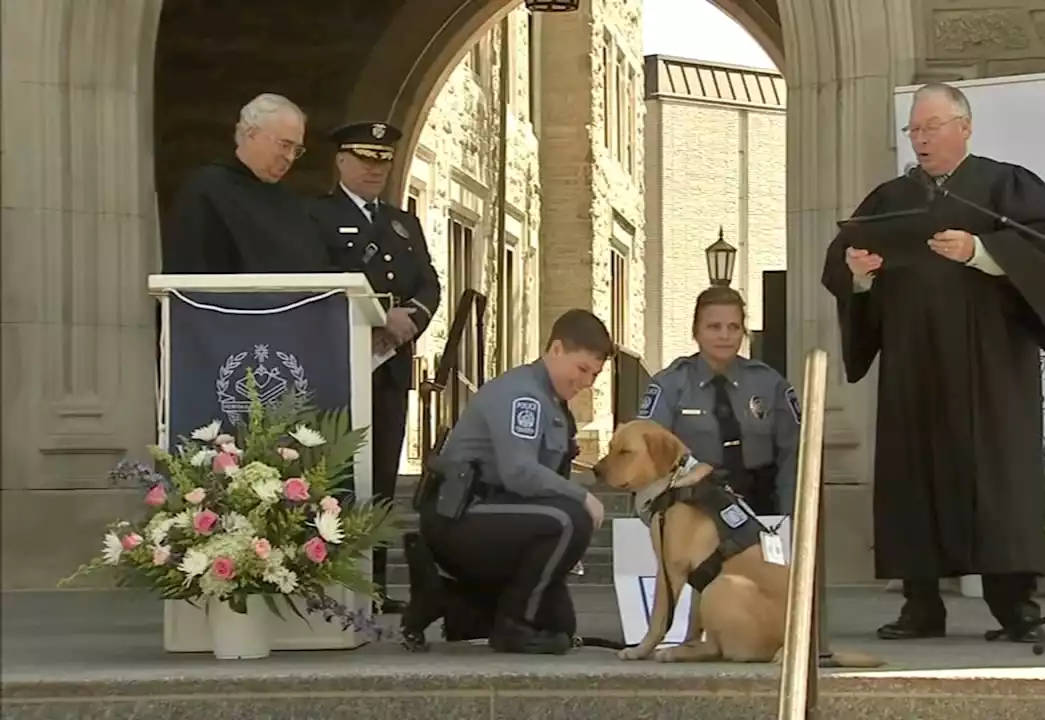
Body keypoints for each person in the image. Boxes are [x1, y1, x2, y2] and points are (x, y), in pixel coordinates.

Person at [820, 82, 1045, 643]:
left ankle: (1016, 608)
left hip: (992, 364)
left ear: (964, 126)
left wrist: (982, 252)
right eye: (914, 130)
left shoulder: (1005, 186)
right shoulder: (889, 198)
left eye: (932, 127)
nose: (921, 139)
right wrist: (860, 272)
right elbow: (839, 264)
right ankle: (921, 606)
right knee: (914, 476)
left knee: (998, 478)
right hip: (914, 365)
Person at [417, 309, 612, 654]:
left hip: (497, 514)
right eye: (582, 369)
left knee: (559, 630)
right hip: (461, 514)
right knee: (569, 520)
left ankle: (458, 602)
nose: (586, 383)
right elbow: (519, 471)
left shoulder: (552, 401)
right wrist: (581, 496)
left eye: (594, 374)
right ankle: (512, 626)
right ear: (556, 350)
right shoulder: (524, 395)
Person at [310, 120, 442, 614]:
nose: (374, 169)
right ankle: (331, 578)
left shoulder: (403, 223)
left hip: (390, 367)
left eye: (383, 160)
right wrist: (375, 314)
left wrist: (411, 319)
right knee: (336, 475)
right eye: (365, 158)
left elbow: (428, 283)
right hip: (341, 365)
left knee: (382, 479)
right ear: (341, 160)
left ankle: (376, 584)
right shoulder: (318, 217)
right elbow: (314, 277)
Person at [636, 286, 799, 517]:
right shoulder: (670, 386)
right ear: (696, 332)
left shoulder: (770, 384)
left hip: (761, 509)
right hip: (692, 511)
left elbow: (792, 458)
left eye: (734, 327)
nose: (725, 335)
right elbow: (646, 452)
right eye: (714, 327)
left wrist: (790, 520)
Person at [161, 93, 333, 274]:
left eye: (296, 150)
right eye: (284, 145)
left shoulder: (289, 202)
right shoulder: (206, 190)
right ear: (251, 134)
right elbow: (190, 268)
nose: (290, 157)